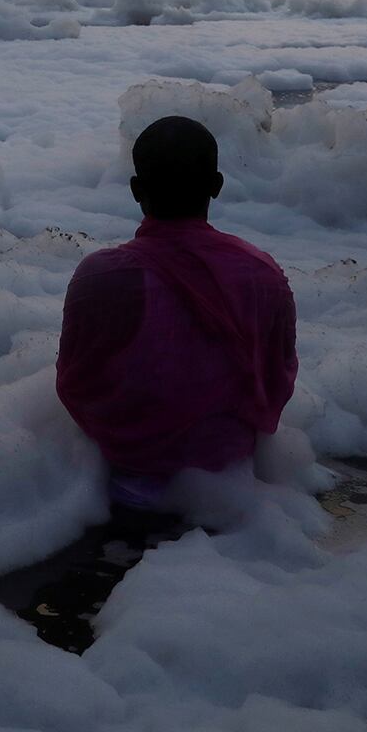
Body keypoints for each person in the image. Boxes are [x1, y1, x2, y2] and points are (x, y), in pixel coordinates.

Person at [57, 116, 297, 510]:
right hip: (230, 485)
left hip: (123, 484)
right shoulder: (263, 275)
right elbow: (277, 383)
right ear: (217, 186)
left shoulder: (102, 276)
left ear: (136, 190)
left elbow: (75, 386)